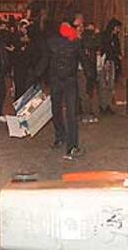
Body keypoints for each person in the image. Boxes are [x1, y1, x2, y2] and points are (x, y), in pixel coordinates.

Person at [46, 11, 91, 160]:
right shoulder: (75, 41)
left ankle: (60, 137)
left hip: (56, 80)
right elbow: (84, 60)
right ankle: (71, 146)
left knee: (56, 109)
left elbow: (45, 60)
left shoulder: (52, 40)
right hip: (70, 81)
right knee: (71, 113)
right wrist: (91, 75)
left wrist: (35, 75)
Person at [99, 18, 122, 114]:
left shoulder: (115, 37)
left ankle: (107, 105)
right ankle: (103, 105)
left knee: (110, 85)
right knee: (104, 84)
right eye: (118, 27)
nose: (119, 30)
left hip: (112, 62)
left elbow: (116, 49)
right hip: (106, 62)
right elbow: (105, 49)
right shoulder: (106, 36)